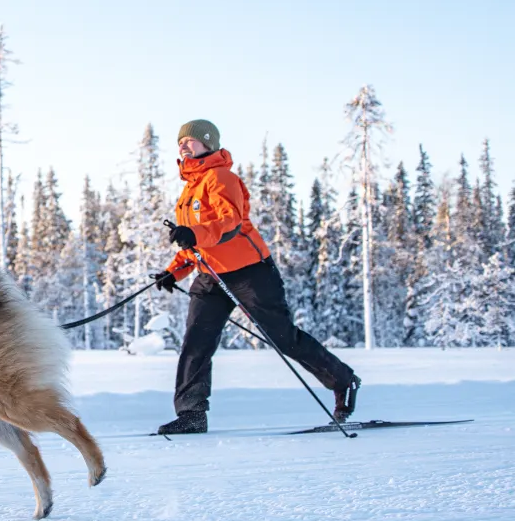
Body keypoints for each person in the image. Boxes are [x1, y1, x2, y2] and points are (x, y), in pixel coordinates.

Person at [152, 119, 360, 435]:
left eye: (191, 140)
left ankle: (342, 379)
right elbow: (195, 245)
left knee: (282, 337)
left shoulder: (220, 177)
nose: (184, 145)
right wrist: (173, 271)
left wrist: (192, 234)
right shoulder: (189, 190)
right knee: (196, 343)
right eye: (180, 141)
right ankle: (191, 414)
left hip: (249, 271)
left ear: (209, 144)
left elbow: (229, 223)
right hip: (211, 278)